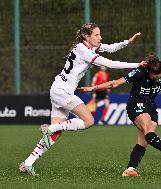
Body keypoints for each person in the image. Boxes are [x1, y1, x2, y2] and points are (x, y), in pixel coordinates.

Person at [19, 23, 144, 176]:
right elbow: (109, 64)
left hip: (59, 88)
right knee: (89, 121)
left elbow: (111, 48)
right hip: (62, 90)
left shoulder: (90, 47)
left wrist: (127, 42)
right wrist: (137, 65)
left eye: (100, 34)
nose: (100, 37)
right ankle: (49, 128)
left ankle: (27, 163)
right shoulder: (83, 50)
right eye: (97, 35)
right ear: (87, 36)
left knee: (55, 133)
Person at [79, 54, 161, 176]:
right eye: (154, 77)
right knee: (148, 128)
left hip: (151, 106)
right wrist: (93, 88)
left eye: (159, 76)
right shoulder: (139, 72)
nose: (157, 78)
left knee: (145, 140)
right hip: (136, 104)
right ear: (148, 71)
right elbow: (115, 83)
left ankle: (130, 169)